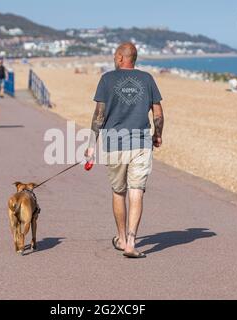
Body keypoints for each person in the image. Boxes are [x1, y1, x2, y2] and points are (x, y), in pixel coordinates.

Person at [85, 42, 165, 259]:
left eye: (115, 55)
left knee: (119, 192)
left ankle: (121, 238)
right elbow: (157, 112)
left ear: (121, 58)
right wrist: (158, 134)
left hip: (113, 143)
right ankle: (131, 242)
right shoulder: (147, 79)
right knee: (136, 191)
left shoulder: (107, 79)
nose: (113, 58)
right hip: (140, 143)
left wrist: (92, 145)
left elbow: (98, 115)